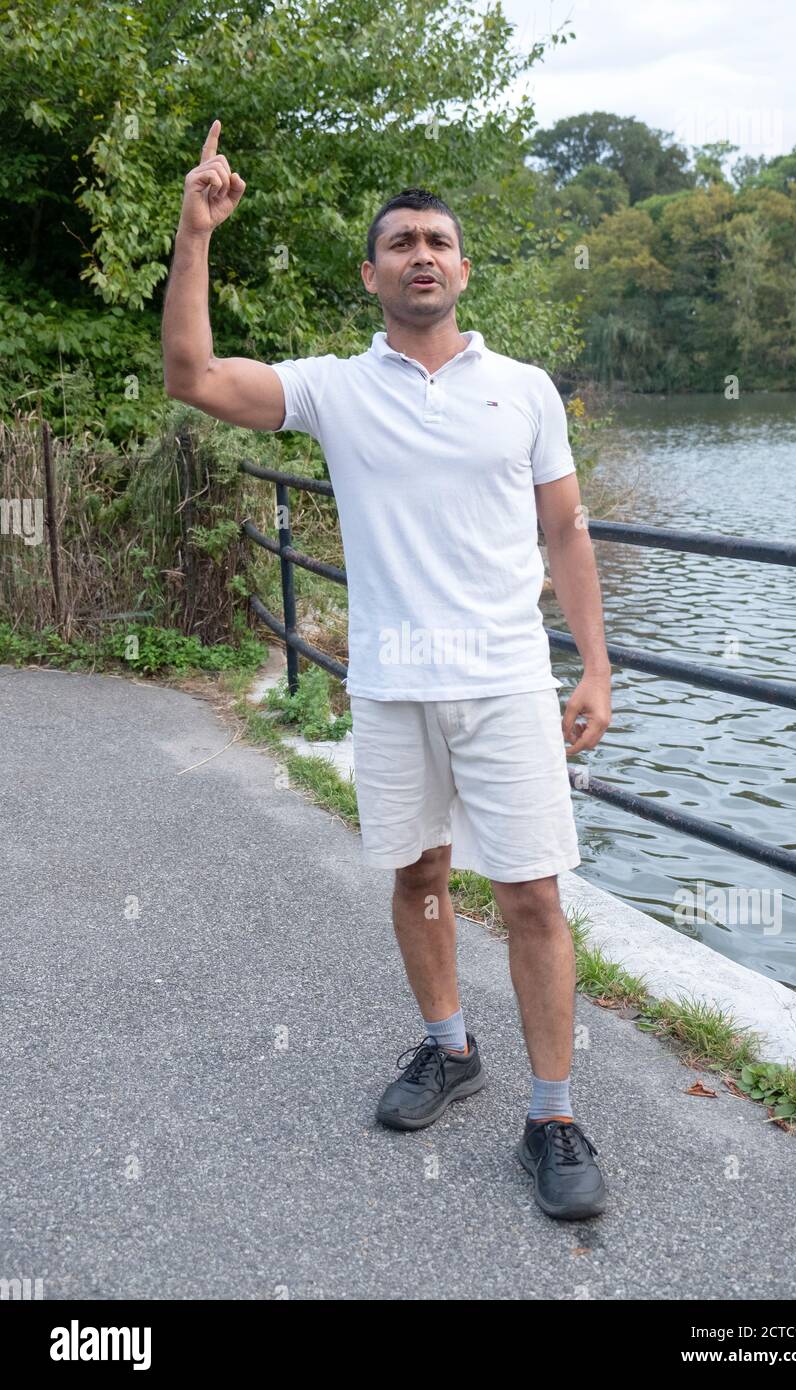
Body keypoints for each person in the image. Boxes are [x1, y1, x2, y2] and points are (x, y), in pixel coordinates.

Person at [162, 121, 612, 1222]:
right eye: (401, 241)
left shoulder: (524, 388)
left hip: (506, 680)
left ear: (460, 268)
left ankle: (551, 1115)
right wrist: (193, 230)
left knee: (530, 897)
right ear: (370, 273)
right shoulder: (332, 389)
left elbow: (565, 534)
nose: (422, 254)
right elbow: (190, 375)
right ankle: (447, 1048)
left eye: (438, 241)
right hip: (391, 685)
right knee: (416, 879)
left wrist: (594, 666)